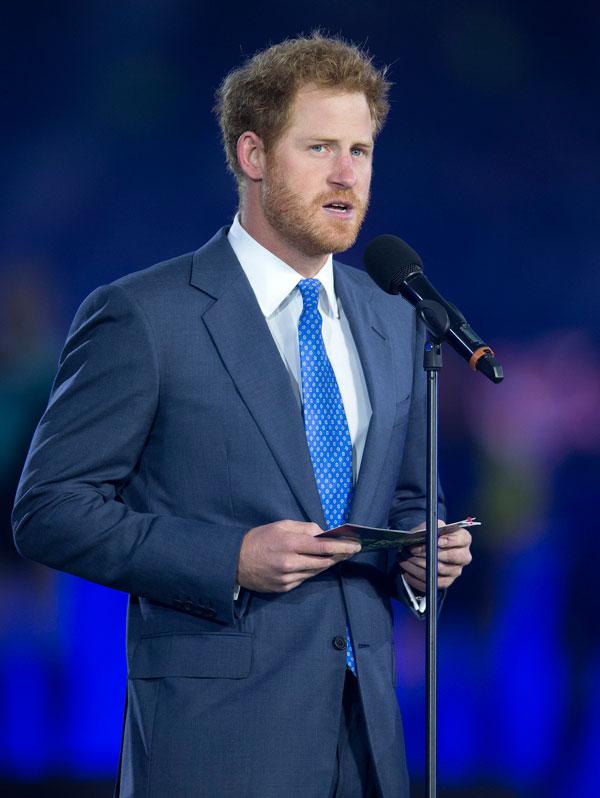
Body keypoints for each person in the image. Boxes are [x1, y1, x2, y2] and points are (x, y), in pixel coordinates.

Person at [12, 34, 473, 798]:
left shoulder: (396, 319)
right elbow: (48, 510)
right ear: (253, 155)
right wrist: (227, 559)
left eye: (360, 150)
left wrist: (426, 561)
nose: (345, 174)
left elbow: (407, 505)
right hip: (215, 741)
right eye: (319, 146)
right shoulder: (144, 316)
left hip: (370, 746)